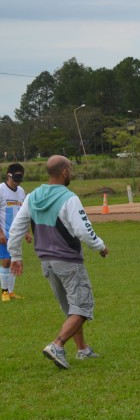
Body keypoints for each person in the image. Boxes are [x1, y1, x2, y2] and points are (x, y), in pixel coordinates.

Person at [7, 155, 108, 369]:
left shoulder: (32, 196)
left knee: (71, 307)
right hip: (68, 261)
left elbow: (16, 229)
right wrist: (100, 246)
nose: (70, 171)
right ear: (64, 172)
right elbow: (83, 230)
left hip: (47, 262)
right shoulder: (68, 198)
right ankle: (57, 345)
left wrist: (16, 256)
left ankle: (82, 350)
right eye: (70, 168)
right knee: (83, 307)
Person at [1, 163, 31, 301]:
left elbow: (24, 213)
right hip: (4, 234)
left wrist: (27, 232)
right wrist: (0, 233)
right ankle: (4, 292)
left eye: (21, 177)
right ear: (9, 175)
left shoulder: (21, 191)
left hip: (16, 234)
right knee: (6, 261)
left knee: (15, 261)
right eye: (16, 177)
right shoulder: (1, 189)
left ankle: (11, 292)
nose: (18, 180)